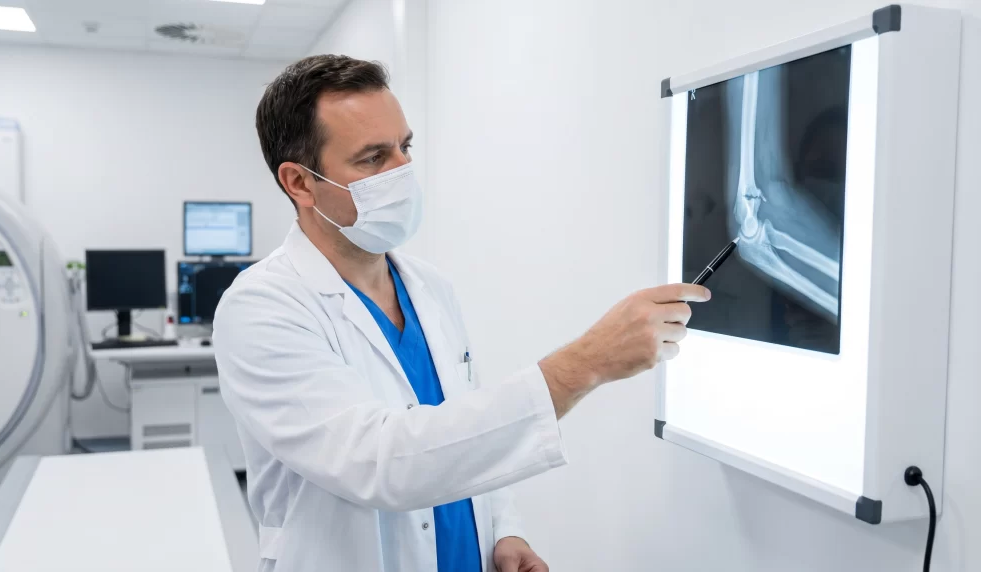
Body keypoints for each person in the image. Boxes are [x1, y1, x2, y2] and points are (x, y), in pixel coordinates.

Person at [213, 54, 710, 572]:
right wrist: (585, 364)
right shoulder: (261, 309)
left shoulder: (429, 288)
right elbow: (379, 463)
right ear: (299, 182)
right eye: (373, 158)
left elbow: (462, 426)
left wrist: (503, 530)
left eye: (405, 147)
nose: (403, 172)